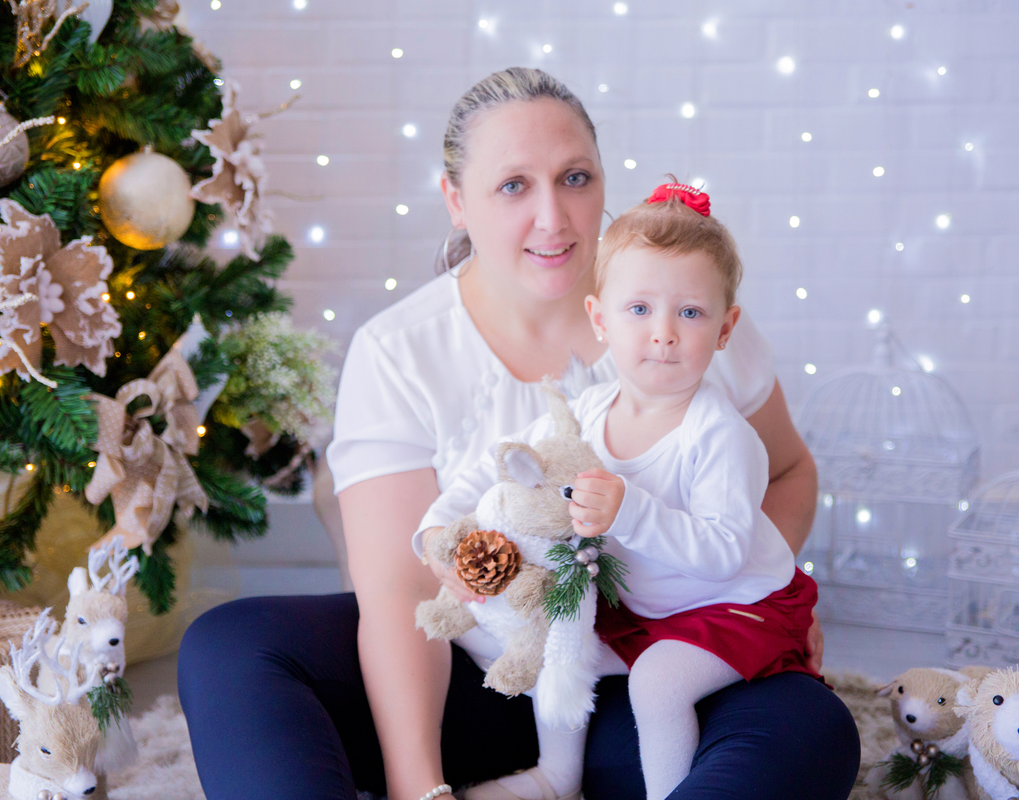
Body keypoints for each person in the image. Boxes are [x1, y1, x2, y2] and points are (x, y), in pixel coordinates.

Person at [178, 67, 859, 800]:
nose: (554, 218)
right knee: (231, 647)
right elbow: (401, 592)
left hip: (651, 688)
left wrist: (745, 606)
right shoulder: (400, 349)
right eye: (513, 186)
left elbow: (789, 473)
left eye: (574, 178)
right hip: (476, 687)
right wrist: (421, 787)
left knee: (811, 725)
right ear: (456, 201)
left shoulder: (679, 309)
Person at [414, 183, 825, 800]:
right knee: (553, 635)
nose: (663, 333)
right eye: (639, 310)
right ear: (600, 320)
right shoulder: (591, 405)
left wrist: (631, 511)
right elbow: (504, 462)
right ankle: (558, 776)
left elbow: (721, 553)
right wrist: (438, 531)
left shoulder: (720, 436)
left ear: (724, 329)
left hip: (732, 606)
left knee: (657, 683)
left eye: (690, 312)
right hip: (642, 604)